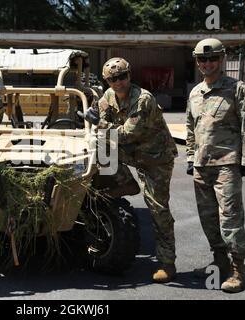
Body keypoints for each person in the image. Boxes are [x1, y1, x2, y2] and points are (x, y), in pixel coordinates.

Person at [85, 57, 178, 283]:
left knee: (157, 209)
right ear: (107, 81)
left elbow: (126, 133)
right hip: (130, 151)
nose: (118, 82)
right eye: (112, 79)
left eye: (122, 76)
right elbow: (104, 128)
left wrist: (100, 124)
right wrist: (96, 121)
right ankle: (124, 182)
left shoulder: (143, 99)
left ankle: (167, 263)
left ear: (129, 75)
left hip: (155, 157)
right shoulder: (107, 97)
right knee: (96, 145)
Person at [186, 38, 245, 293]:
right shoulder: (195, 92)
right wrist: (189, 158)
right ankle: (220, 263)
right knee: (208, 219)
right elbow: (190, 128)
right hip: (201, 165)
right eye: (202, 59)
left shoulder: (237, 88)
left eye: (212, 58)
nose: (207, 63)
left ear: (222, 59)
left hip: (227, 164)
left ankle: (238, 270)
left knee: (230, 218)